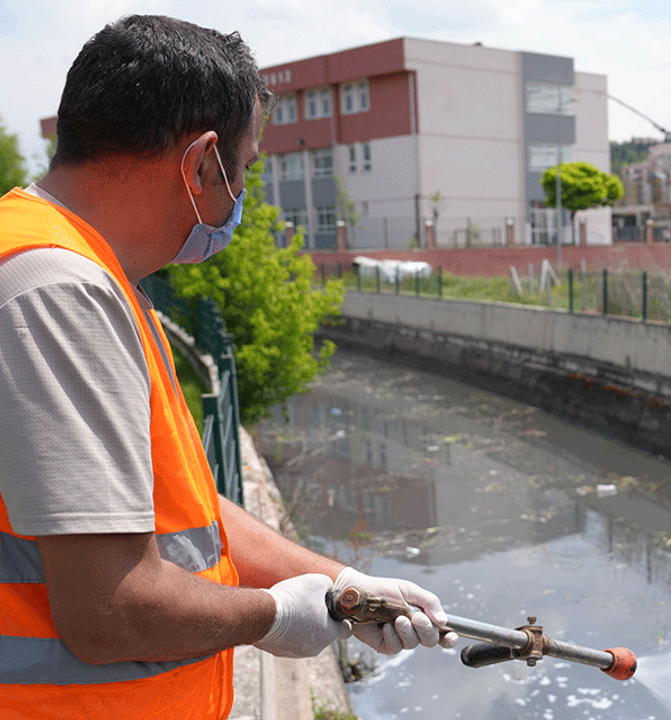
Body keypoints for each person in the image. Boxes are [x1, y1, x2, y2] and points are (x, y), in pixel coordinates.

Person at [0, 15, 455, 719]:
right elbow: (110, 610)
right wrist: (272, 616)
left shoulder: (91, 274)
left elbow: (184, 517)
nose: (244, 190)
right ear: (203, 163)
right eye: (246, 167)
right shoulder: (61, 291)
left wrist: (342, 583)